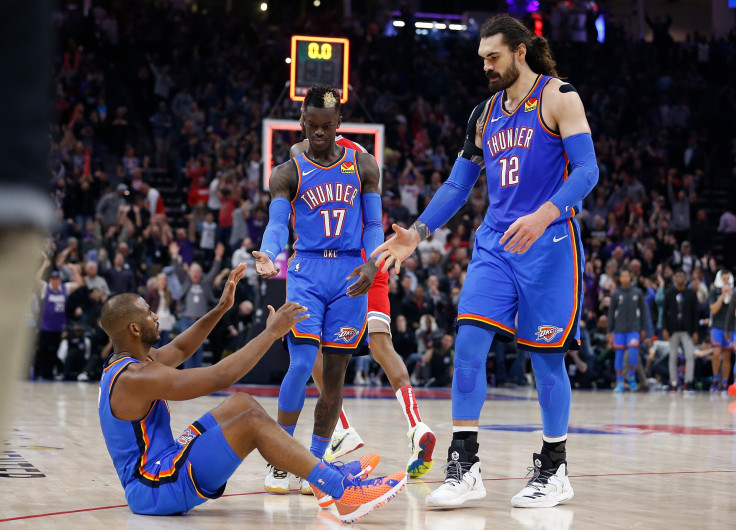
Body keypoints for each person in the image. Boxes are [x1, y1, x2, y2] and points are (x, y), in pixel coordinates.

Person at [373, 14, 599, 508]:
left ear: (520, 51)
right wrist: (417, 232)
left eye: (494, 57)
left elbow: (587, 169)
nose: (487, 66)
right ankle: (464, 463)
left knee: (546, 359)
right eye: (482, 59)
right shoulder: (484, 114)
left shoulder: (559, 96)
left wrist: (544, 214)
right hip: (496, 243)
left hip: (549, 242)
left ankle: (554, 467)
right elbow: (458, 184)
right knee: (470, 342)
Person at [97, 264, 407, 522]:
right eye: (149, 313)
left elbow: (180, 347)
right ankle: (342, 492)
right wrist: (272, 333)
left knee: (241, 404)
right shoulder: (134, 377)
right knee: (251, 425)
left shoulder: (133, 362)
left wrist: (220, 309)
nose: (155, 316)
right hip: (153, 486)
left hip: (165, 464)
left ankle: (320, 475)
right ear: (134, 330)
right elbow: (220, 376)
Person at [253, 86, 384, 495]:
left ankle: (314, 461)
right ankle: (280, 458)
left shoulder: (364, 166)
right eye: (313, 126)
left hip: (350, 274)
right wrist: (270, 252)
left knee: (334, 378)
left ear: (340, 124)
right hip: (307, 270)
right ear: (302, 123)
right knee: (300, 362)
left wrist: (372, 262)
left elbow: (374, 225)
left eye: (328, 126)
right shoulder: (287, 172)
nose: (321, 133)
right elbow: (277, 223)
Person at [289, 124, 436, 479]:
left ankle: (340, 429)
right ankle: (417, 426)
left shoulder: (303, 153)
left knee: (311, 348)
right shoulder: (362, 156)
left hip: (338, 262)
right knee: (383, 345)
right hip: (376, 256)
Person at [607, 269, 647, 392]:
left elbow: (644, 313)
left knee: (633, 353)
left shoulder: (638, 293)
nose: (624, 278)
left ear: (630, 277)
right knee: (618, 356)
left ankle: (631, 376)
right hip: (619, 330)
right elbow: (611, 314)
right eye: (622, 276)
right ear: (620, 278)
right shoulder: (616, 294)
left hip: (634, 329)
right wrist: (609, 332)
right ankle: (619, 382)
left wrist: (644, 328)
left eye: (627, 276)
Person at [662, 269, 699, 391]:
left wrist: (695, 331)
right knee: (672, 356)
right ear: (674, 279)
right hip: (673, 330)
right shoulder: (669, 293)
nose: (679, 279)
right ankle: (673, 382)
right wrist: (665, 329)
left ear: (685, 278)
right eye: (677, 276)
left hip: (687, 330)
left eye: (681, 276)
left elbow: (695, 314)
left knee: (689, 356)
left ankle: (688, 381)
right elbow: (664, 313)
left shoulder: (691, 294)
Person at [707, 270, 733, 392]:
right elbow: (713, 310)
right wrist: (722, 296)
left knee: (727, 355)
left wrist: (731, 296)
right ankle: (715, 379)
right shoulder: (714, 291)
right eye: (724, 279)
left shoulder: (734, 292)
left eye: (728, 278)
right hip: (716, 326)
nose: (726, 281)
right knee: (716, 353)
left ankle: (724, 384)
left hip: (729, 327)